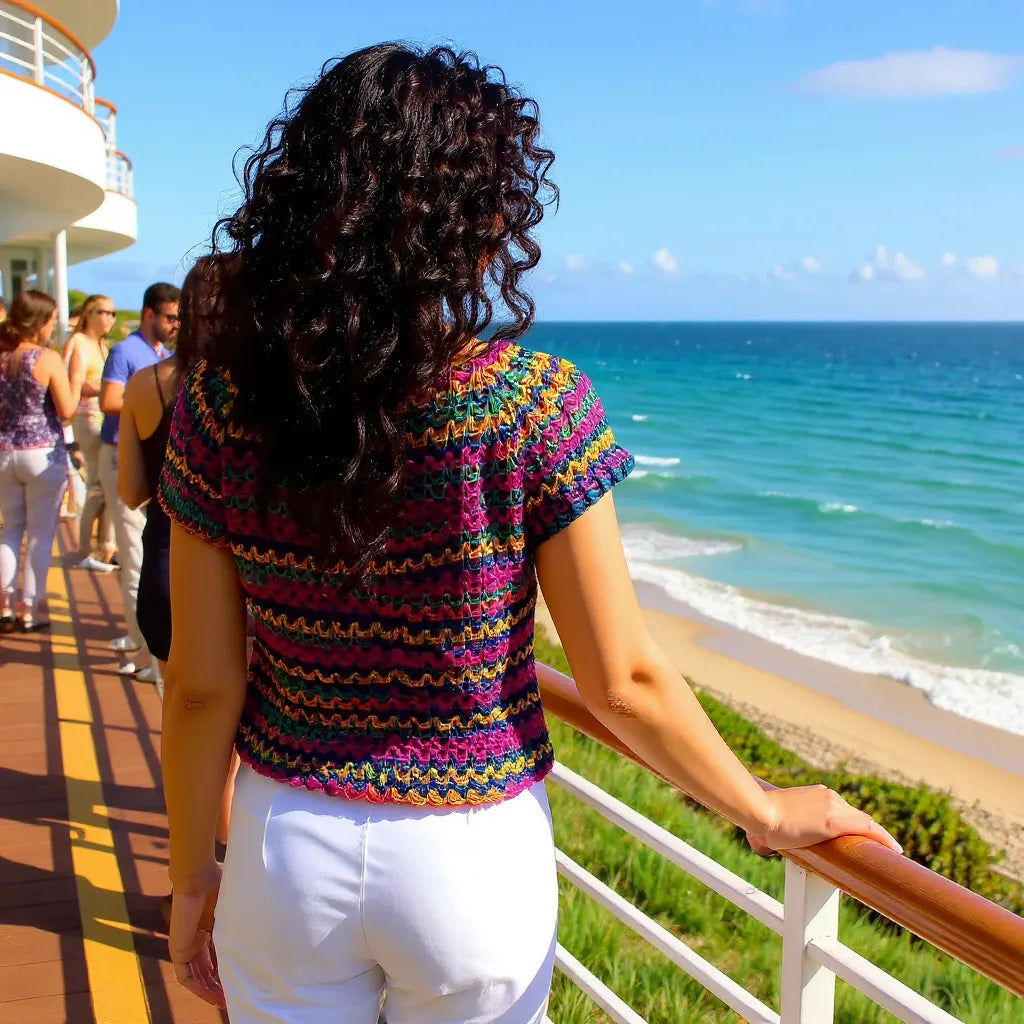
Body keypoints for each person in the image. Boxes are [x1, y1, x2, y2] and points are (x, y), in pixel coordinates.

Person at [159, 44, 901, 1022]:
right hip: (471, 859)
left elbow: (204, 681)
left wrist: (188, 879)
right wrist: (760, 809)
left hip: (285, 839)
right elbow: (623, 682)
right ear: (478, 215)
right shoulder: (532, 405)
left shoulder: (220, 406)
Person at [99, 282, 180, 683]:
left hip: (169, 555)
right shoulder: (251, 387)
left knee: (181, 711)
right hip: (241, 576)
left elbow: (132, 492)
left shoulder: (152, 377)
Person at [0, 290, 78, 633]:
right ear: (40, 321)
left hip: (4, 451)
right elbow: (67, 410)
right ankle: (30, 608)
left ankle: (4, 603)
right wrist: (75, 384)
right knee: (40, 534)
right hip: (42, 452)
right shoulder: (46, 358)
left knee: (10, 529)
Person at [65, 295, 118, 571]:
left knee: (107, 487)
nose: (110, 318)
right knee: (98, 488)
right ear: (89, 314)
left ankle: (105, 549)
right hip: (89, 418)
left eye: (113, 313)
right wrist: (106, 389)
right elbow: (73, 383)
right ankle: (86, 550)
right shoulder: (79, 343)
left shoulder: (100, 344)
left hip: (104, 419)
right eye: (105, 312)